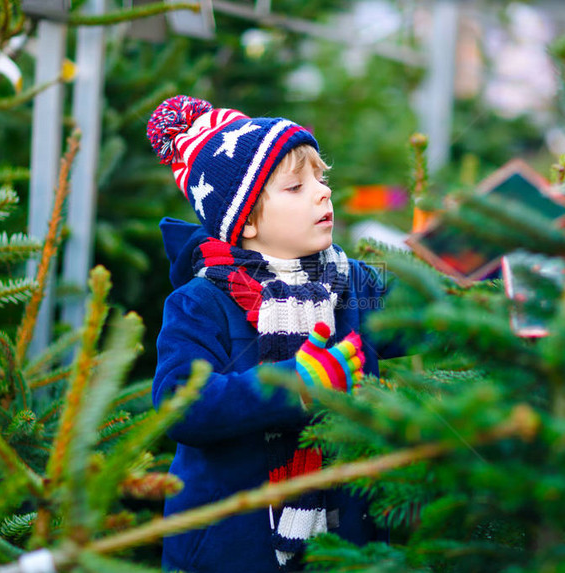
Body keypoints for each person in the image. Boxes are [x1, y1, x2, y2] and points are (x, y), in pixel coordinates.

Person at [148, 95, 392, 573]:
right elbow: (180, 405)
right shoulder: (201, 303)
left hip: (346, 543)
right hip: (233, 551)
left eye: (322, 180)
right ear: (249, 221)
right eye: (296, 186)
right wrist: (293, 383)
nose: (322, 193)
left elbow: (425, 311)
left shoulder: (352, 282)